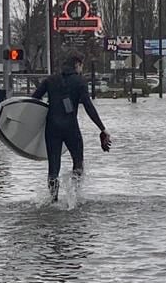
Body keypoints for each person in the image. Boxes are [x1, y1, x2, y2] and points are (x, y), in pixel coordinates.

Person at [32, 53, 111, 202]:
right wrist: (102, 128)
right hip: (71, 128)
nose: (82, 69)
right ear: (77, 64)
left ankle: (53, 200)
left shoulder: (50, 80)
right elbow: (88, 106)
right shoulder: (80, 81)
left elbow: (34, 101)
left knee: (53, 166)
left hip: (52, 128)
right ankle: (74, 196)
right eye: (81, 66)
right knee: (78, 161)